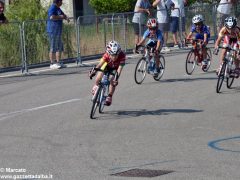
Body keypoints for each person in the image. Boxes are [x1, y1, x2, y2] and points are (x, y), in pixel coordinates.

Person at [89, 41, 126, 106]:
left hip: (115, 68)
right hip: (107, 66)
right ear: (109, 53)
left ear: (119, 53)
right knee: (100, 73)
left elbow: (119, 70)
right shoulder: (106, 55)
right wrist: (94, 71)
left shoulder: (122, 56)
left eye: (116, 55)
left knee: (112, 80)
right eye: (112, 55)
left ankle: (110, 96)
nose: (114, 57)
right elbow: (99, 65)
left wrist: (116, 79)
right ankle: (96, 85)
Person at [47, 0, 70, 69]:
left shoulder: (58, 8)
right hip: (53, 30)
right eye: (61, 1)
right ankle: (52, 63)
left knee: (59, 47)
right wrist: (61, 17)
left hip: (58, 30)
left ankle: (58, 62)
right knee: (53, 46)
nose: (62, 2)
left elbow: (63, 15)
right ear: (58, 1)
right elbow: (52, 17)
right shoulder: (53, 8)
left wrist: (66, 17)